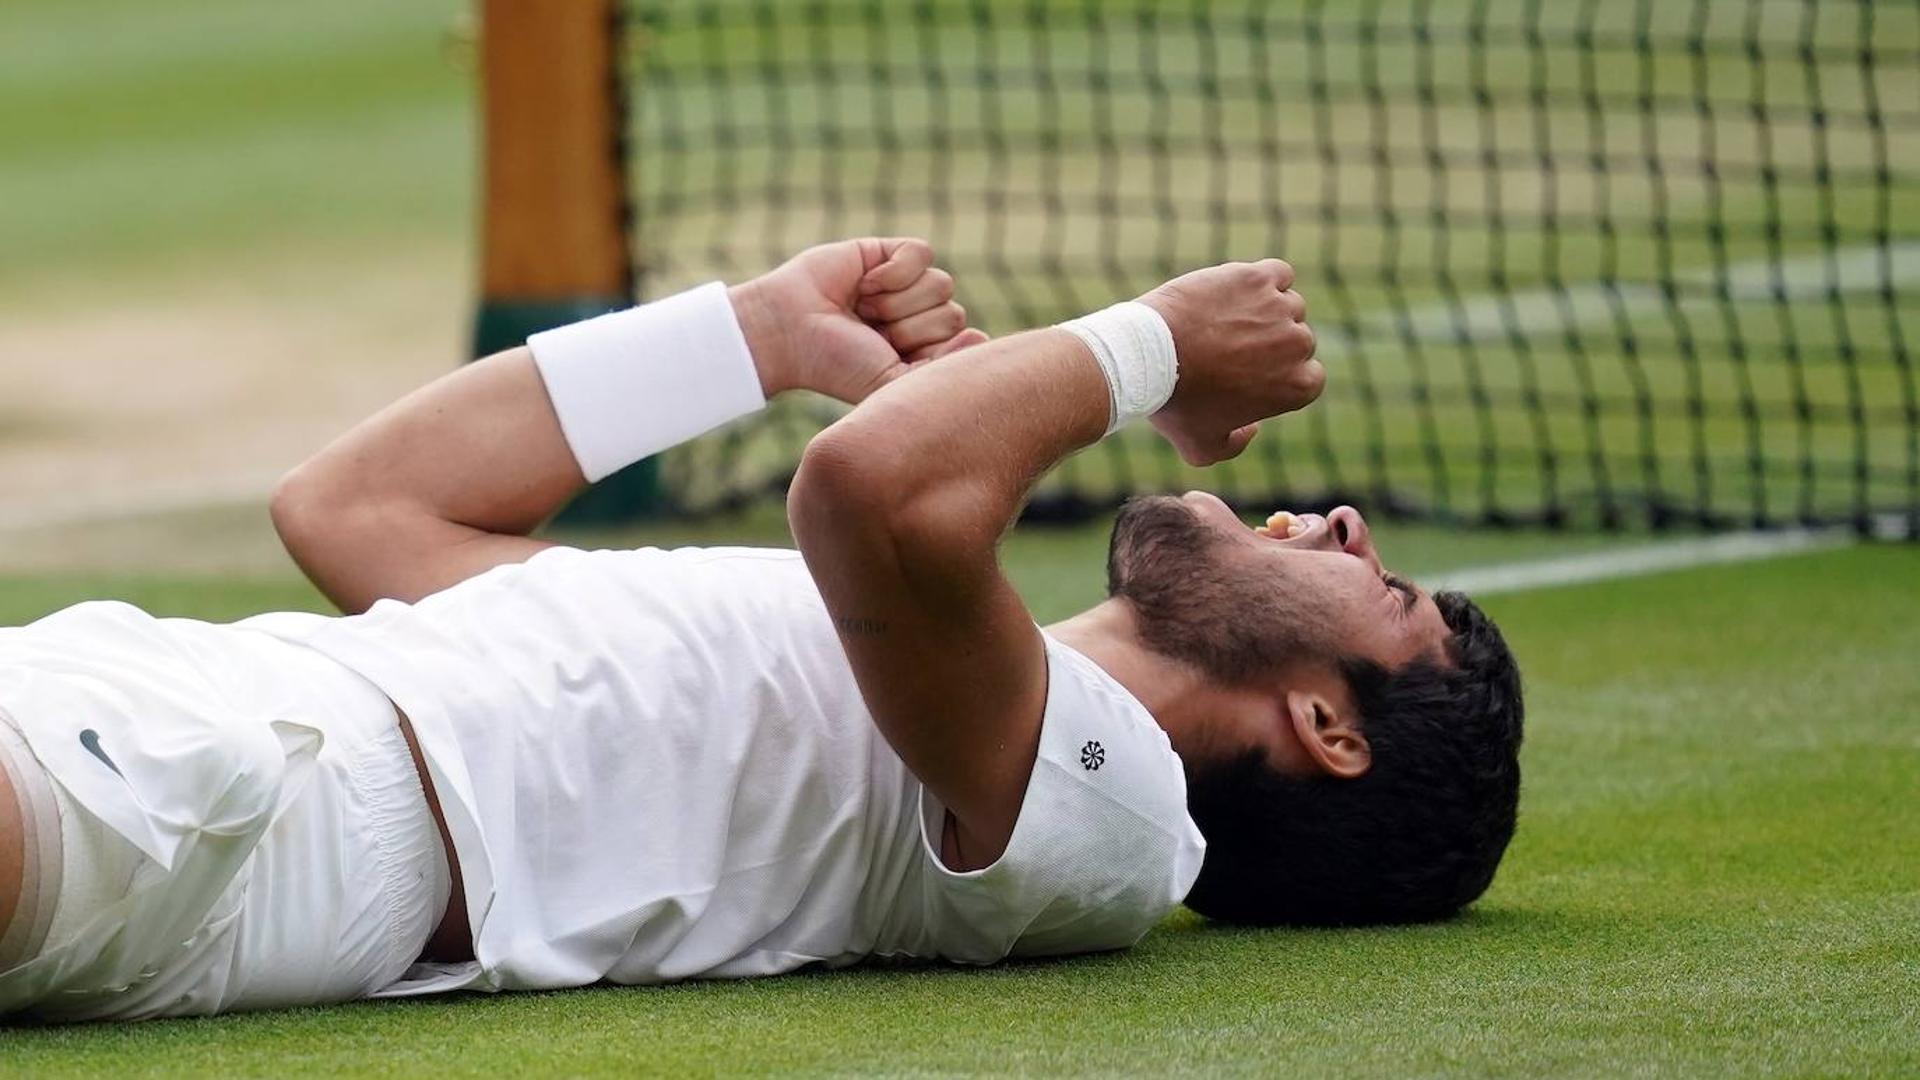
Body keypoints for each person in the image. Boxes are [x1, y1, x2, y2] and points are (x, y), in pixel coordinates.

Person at [0, 238, 1522, 1022]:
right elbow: (357, 511)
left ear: (1327, 732)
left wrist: (1157, 346)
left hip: (250, 806)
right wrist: (752, 337)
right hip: (188, 719)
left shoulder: (1120, 823)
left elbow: (876, 490)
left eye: (1383, 592)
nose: (1339, 525)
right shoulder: (873, 665)